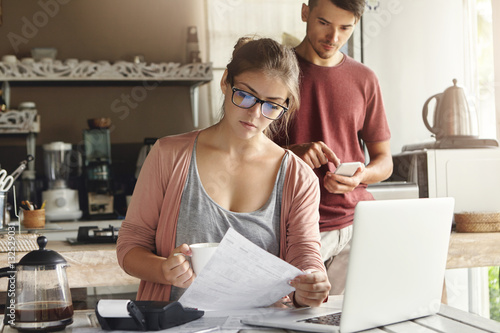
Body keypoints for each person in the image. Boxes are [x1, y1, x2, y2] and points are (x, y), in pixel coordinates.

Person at [116, 37, 331, 307]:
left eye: (272, 105)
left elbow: (305, 253)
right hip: (176, 325)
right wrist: (163, 270)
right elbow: (129, 247)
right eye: (245, 94)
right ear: (225, 81)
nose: (254, 114)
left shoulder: (298, 177)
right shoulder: (168, 155)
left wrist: (311, 283)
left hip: (260, 327)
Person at [273, 0, 393, 294]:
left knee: (356, 319)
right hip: (294, 229)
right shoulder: (274, 72)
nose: (334, 37)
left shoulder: (365, 78)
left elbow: (384, 160)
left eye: (345, 27)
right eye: (324, 23)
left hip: (358, 226)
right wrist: (290, 154)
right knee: (292, 320)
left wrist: (360, 177)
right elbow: (239, 152)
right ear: (305, 13)